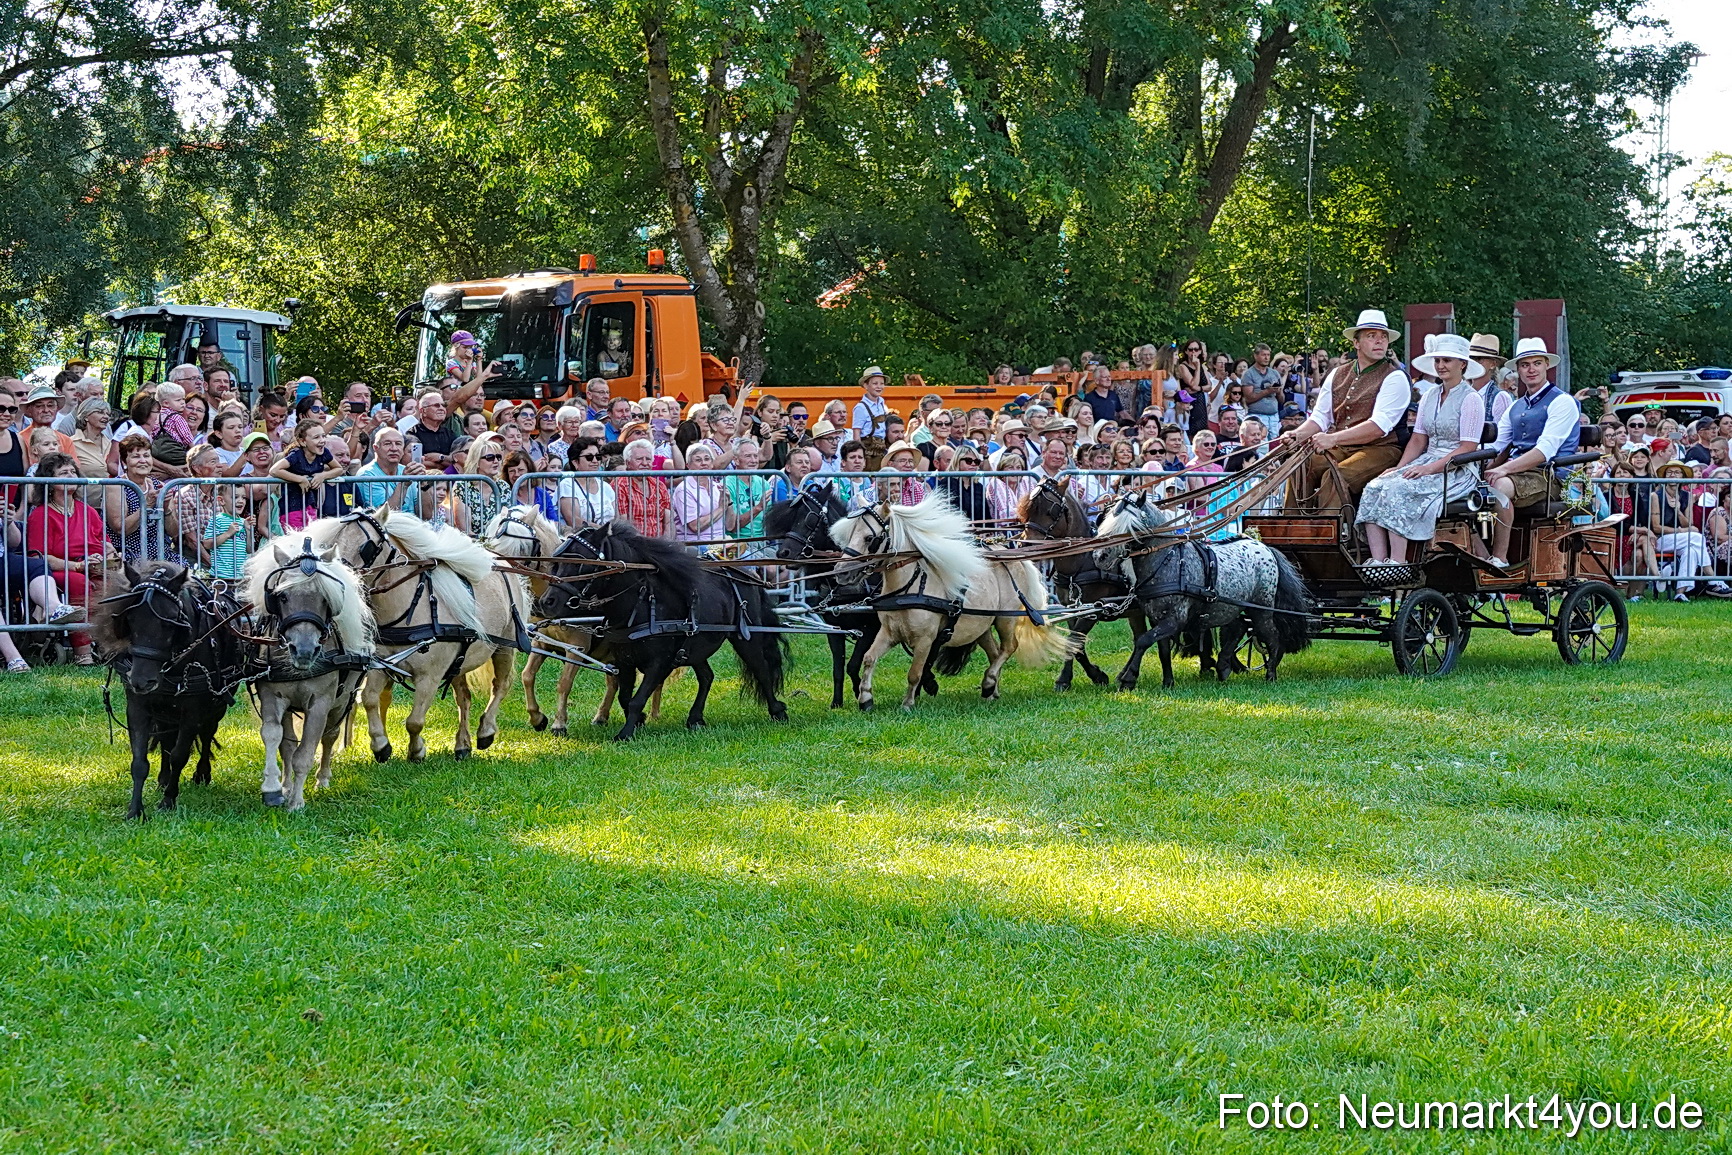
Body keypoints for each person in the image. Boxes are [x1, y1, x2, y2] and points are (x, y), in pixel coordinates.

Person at [1355, 332, 1487, 565]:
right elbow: (1418, 440)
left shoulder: (1471, 399)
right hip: (1427, 461)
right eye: (1437, 360)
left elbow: (1467, 448)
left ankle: (1398, 561)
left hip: (1456, 468)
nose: (1440, 365)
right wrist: (1399, 467)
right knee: (1375, 486)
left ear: (1462, 364)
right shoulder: (1429, 396)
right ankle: (1378, 561)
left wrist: (1429, 469)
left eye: (1447, 360)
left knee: (1399, 489)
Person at [1283, 309, 1412, 511]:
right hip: (1342, 447)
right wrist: (1298, 434)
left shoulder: (1395, 377)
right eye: (1372, 336)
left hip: (1382, 449)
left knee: (1334, 476)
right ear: (1356, 343)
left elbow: (1378, 427)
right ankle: (1290, 525)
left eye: (1383, 337)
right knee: (1300, 465)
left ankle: (1332, 530)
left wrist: (1333, 439)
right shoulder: (1337, 373)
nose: (1380, 341)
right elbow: (1320, 417)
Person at [1482, 338, 1581, 567]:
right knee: (1467, 488)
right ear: (1518, 370)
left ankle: (1500, 558)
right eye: (1525, 365)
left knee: (1498, 487)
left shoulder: (1563, 401)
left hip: (1550, 476)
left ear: (1547, 365)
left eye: (1537, 363)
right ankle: (1479, 552)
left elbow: (1545, 451)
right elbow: (1496, 446)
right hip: (1517, 473)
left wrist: (1503, 469)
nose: (1531, 369)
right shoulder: (1514, 407)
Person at [25, 452, 117, 663]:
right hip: (60, 569)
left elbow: (105, 543)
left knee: (115, 583)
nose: (70, 475)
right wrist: (78, 566)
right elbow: (40, 557)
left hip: (93, 565)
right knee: (78, 582)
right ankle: (82, 652)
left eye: (73, 471)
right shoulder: (40, 514)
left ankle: (110, 646)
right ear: (49, 481)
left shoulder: (89, 511)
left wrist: (109, 555)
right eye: (63, 473)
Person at [270, 418, 342, 532]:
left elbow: (339, 469)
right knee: (297, 539)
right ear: (303, 441)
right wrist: (299, 479)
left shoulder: (324, 453)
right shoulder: (296, 455)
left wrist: (323, 476)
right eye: (316, 437)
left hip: (310, 505)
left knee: (311, 537)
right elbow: (274, 470)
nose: (322, 440)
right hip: (291, 508)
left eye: (323, 436)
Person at [670, 444, 732, 550]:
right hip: (696, 543)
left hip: (722, 541)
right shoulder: (684, 489)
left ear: (712, 464)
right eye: (698, 460)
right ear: (688, 466)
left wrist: (728, 503)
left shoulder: (718, 487)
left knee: (751, 557)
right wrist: (721, 508)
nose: (704, 463)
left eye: (707, 459)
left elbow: (730, 526)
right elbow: (695, 526)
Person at [613, 440, 674, 537]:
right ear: (628, 463)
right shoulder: (620, 485)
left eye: (648, 459)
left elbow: (668, 523)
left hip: (660, 543)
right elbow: (623, 523)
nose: (645, 463)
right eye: (639, 459)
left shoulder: (659, 485)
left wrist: (667, 543)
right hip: (632, 542)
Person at [452, 433, 510, 534]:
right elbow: (465, 530)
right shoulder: (462, 486)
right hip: (473, 542)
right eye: (490, 457)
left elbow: (508, 524)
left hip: (500, 541)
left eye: (498, 457)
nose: (496, 461)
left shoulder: (503, 486)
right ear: (476, 461)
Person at [723, 440, 774, 549]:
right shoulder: (727, 484)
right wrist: (758, 508)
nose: (754, 460)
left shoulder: (763, 483)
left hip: (763, 541)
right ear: (736, 460)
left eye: (755, 456)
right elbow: (733, 527)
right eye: (748, 456)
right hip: (738, 542)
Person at [557, 436, 614, 529]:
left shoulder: (606, 486)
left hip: (610, 534)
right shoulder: (567, 485)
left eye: (598, 457)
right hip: (583, 536)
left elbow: (617, 518)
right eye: (589, 457)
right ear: (575, 462)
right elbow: (574, 520)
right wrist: (602, 530)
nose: (595, 461)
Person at [202, 484, 251, 582]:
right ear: (221, 500)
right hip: (220, 576)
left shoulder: (243, 522)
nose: (241, 501)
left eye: (244, 498)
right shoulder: (217, 520)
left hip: (240, 577)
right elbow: (207, 544)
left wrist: (248, 530)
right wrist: (228, 534)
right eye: (235, 497)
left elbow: (249, 549)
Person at [851, 366, 892, 468]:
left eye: (881, 383)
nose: (879, 387)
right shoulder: (861, 407)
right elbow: (856, 434)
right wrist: (860, 455)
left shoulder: (882, 404)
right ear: (866, 385)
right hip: (868, 452)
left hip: (881, 449)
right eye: (875, 383)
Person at [879, 441, 928, 506]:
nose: (908, 465)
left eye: (910, 461)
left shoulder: (918, 487)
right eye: (902, 461)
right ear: (890, 464)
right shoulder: (879, 485)